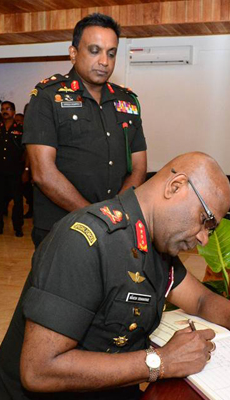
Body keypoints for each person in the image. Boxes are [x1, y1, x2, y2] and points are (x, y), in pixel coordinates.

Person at [0, 152, 230, 400]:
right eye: (204, 220)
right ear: (175, 186)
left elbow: (200, 299)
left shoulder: (152, 241)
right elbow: (39, 369)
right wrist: (162, 362)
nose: (203, 238)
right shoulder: (84, 242)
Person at [23, 12, 147, 248]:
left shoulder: (127, 101)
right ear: (73, 53)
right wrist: (96, 217)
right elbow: (43, 173)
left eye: (111, 53)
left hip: (116, 228)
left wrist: (117, 212)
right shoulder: (48, 97)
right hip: (62, 228)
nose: (104, 61)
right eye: (95, 50)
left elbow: (139, 166)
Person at [0, 101, 25, 237]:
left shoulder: (21, 129)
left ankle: (18, 227)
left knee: (17, 200)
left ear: (13, 112)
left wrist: (26, 169)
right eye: (3, 109)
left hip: (15, 170)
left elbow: (26, 151)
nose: (5, 111)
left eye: (8, 109)